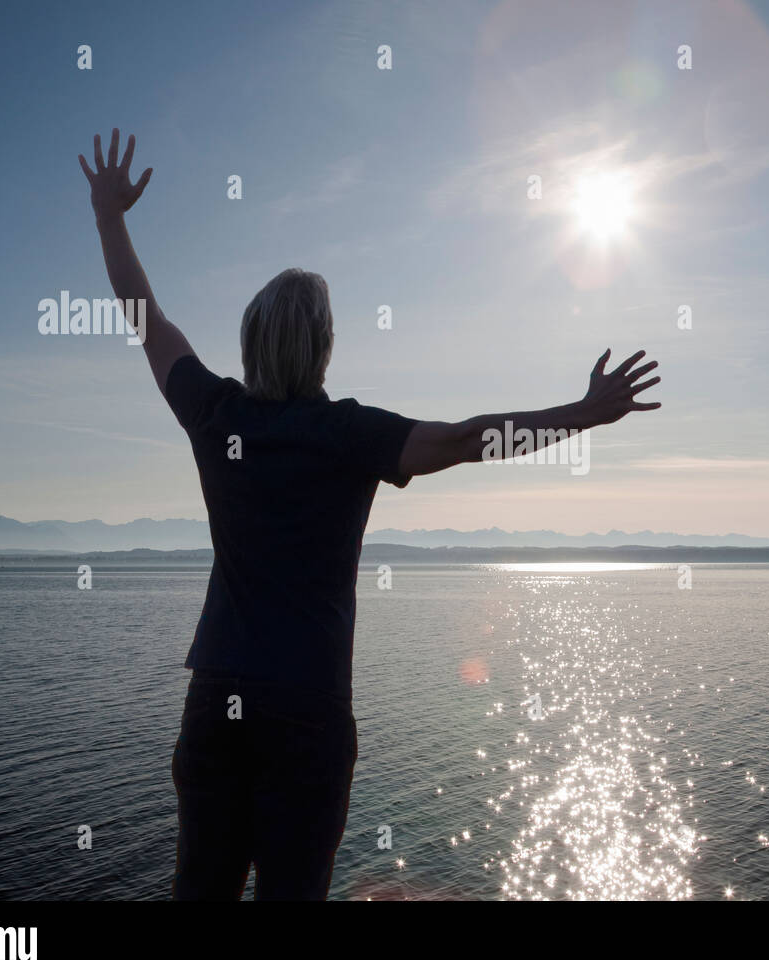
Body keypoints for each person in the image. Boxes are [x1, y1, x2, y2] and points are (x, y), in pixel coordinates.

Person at [78, 130, 662, 900]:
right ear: (324, 347)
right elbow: (468, 440)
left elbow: (144, 315)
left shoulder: (215, 414)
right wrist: (582, 414)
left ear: (250, 344)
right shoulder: (349, 434)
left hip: (217, 697)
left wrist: (108, 216)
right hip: (307, 707)